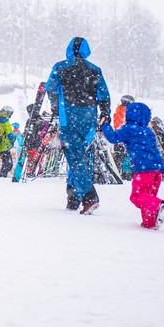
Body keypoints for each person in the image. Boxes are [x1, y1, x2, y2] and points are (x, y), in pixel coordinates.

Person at [45, 36, 112, 214]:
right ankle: (73, 196)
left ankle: (89, 196)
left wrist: (55, 105)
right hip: (89, 120)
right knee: (80, 156)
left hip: (69, 117)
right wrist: (105, 114)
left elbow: (50, 88)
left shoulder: (60, 66)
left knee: (74, 157)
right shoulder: (95, 70)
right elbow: (104, 95)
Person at [101, 100, 164, 229]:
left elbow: (113, 138)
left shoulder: (128, 129)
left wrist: (105, 125)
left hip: (144, 169)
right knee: (148, 198)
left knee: (137, 196)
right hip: (157, 170)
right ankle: (150, 224)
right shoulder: (148, 131)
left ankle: (158, 205)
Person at [0, 106, 17, 178]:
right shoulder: (5, 121)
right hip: (4, 145)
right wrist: (12, 140)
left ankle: (2, 175)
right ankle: (2, 176)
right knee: (8, 163)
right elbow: (9, 133)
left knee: (6, 162)